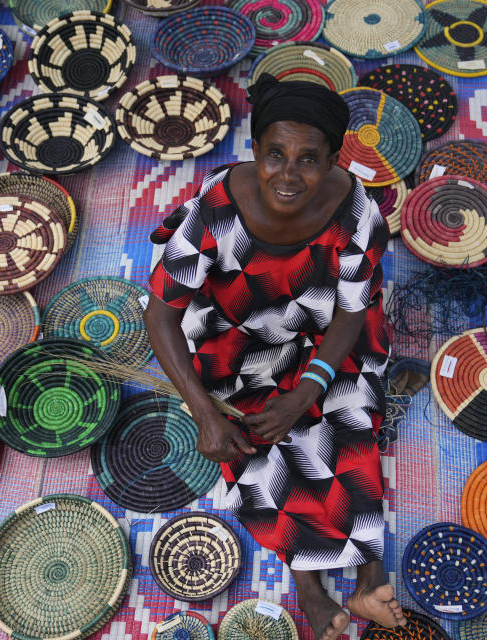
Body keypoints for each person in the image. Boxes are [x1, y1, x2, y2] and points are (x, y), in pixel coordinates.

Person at [144, 73, 404, 640]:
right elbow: (159, 314)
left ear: (335, 158)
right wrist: (204, 413)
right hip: (236, 327)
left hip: (322, 326)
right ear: (254, 151)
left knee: (349, 413)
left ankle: (368, 574)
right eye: (275, 155)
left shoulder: (358, 216)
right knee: (253, 433)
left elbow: (351, 315)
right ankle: (310, 585)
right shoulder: (214, 213)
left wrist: (309, 388)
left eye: (309, 159)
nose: (289, 175)